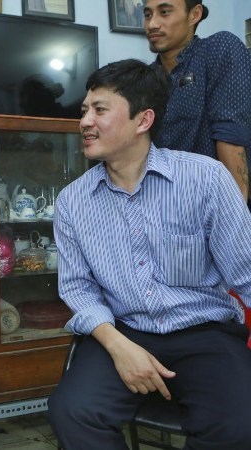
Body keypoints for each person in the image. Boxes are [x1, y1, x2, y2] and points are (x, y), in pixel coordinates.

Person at [47, 58, 251, 449]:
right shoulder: (73, 202)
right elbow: (78, 289)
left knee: (240, 425)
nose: (85, 121)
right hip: (122, 330)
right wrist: (118, 347)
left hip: (204, 331)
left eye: (100, 109)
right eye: (84, 110)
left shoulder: (205, 178)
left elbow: (246, 272)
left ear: (143, 120)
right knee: (72, 412)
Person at [144, 0, 251, 207]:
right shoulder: (145, 79)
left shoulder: (219, 48)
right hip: (164, 206)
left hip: (216, 204)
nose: (152, 24)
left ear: (194, 14)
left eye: (164, 12)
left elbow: (231, 136)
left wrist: (234, 216)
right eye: (148, 15)